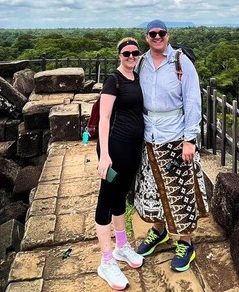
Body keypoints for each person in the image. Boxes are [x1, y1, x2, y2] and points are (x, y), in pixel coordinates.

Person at [134, 20, 209, 272]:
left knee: (181, 191)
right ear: (146, 37)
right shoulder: (141, 63)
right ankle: (159, 230)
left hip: (175, 136)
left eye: (161, 33)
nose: (157, 37)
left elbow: (192, 101)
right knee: (152, 189)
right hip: (148, 135)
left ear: (168, 35)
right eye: (152, 34)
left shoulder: (180, 62)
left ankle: (186, 243)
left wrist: (190, 139)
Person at [94, 37, 146, 290]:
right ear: (119, 56)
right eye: (126, 53)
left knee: (121, 196)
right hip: (114, 148)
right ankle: (105, 260)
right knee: (107, 197)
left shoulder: (137, 78)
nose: (130, 57)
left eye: (134, 53)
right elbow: (104, 118)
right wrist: (105, 154)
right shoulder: (113, 80)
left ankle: (122, 246)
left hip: (132, 149)